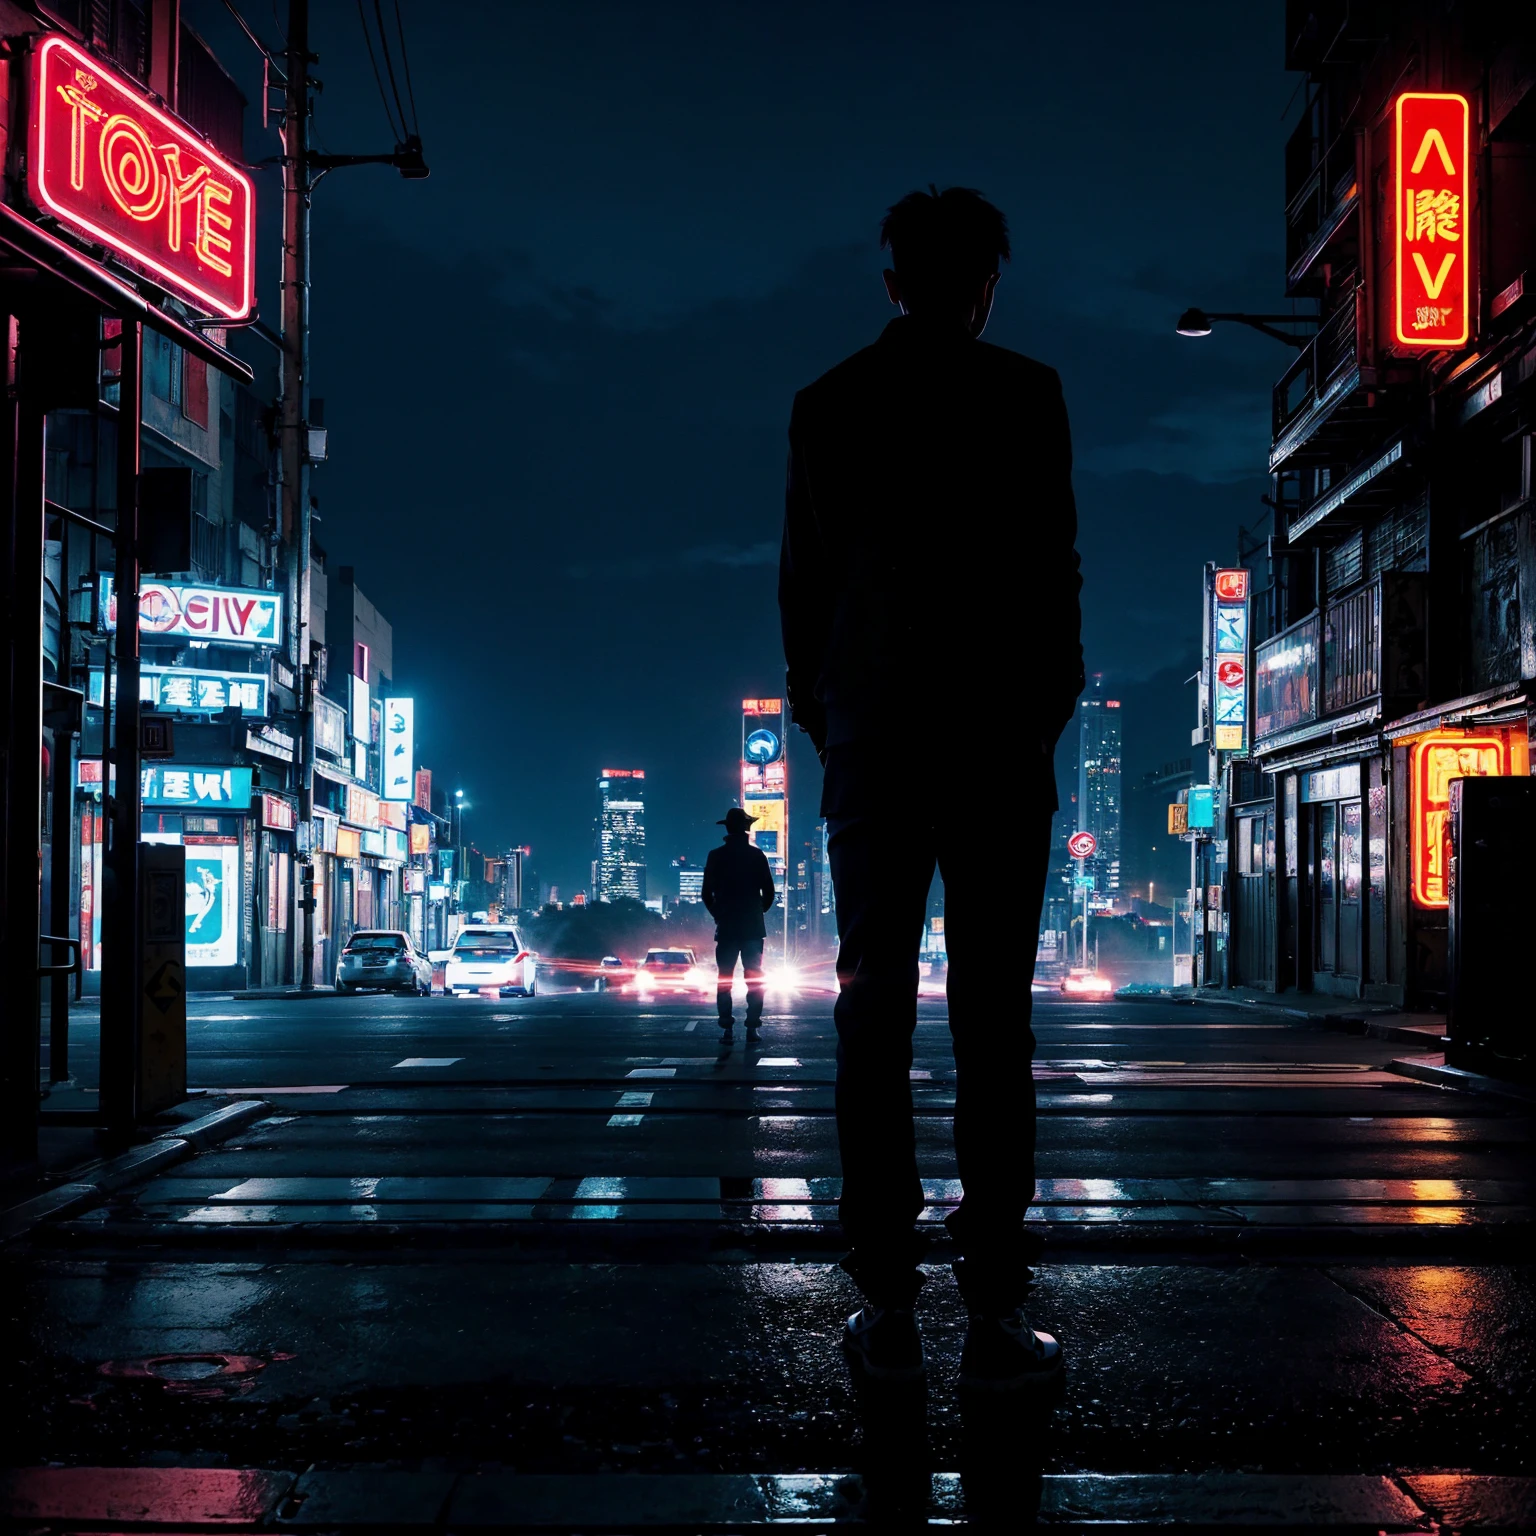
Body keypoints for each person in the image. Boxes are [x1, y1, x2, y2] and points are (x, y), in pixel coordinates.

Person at [779, 186, 1084, 1391]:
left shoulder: (830, 403)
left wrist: (830, 710)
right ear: (989, 281)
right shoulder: (1028, 395)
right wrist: (1043, 704)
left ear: (893, 279)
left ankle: (886, 1293)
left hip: (876, 741)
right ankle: (999, 1296)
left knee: (874, 1009)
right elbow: (1056, 566)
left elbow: (803, 584)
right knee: (994, 1015)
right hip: (1000, 740)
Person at [700, 807, 776, 1038]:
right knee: (754, 978)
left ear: (727, 828)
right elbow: (770, 892)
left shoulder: (716, 855)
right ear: (747, 828)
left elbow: (706, 893)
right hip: (753, 927)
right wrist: (757, 910)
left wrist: (718, 914)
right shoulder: (757, 855)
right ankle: (752, 1025)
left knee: (725, 978)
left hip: (727, 927)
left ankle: (727, 1027)